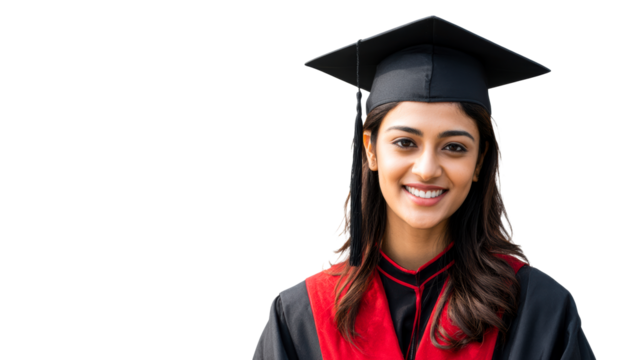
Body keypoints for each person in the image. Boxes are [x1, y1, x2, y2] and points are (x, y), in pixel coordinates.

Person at [252, 14, 596, 360]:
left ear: (479, 161)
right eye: (405, 142)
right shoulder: (300, 317)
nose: (428, 169)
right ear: (370, 150)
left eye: (454, 147)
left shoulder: (539, 311)